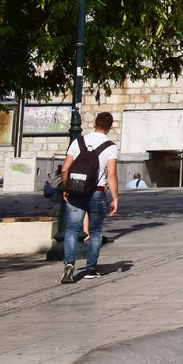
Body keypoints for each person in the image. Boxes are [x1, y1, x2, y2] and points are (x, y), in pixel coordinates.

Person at [60, 111, 120, 283]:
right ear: (110, 127)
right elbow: (112, 175)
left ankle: (69, 264)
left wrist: (66, 187)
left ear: (94, 124)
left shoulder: (77, 142)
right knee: (95, 232)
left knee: (72, 229)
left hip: (76, 190)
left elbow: (65, 169)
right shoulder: (110, 146)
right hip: (97, 191)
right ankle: (91, 268)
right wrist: (115, 198)